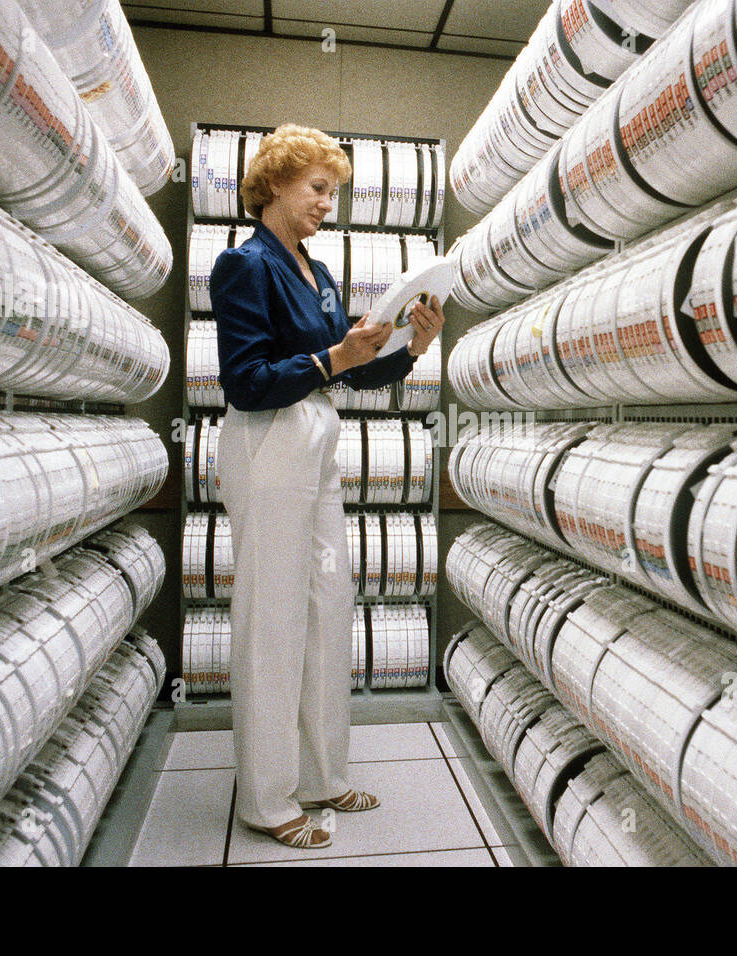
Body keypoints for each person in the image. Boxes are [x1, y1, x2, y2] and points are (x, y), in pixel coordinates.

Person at [209, 124, 445, 849]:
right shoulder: (243, 265)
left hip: (315, 431)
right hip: (271, 436)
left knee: (326, 602)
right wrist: (332, 356)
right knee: (273, 616)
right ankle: (269, 797)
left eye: (333, 193)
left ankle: (319, 775)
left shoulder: (317, 269)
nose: (326, 205)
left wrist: (412, 346)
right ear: (274, 184)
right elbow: (246, 383)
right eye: (317, 189)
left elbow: (350, 365)